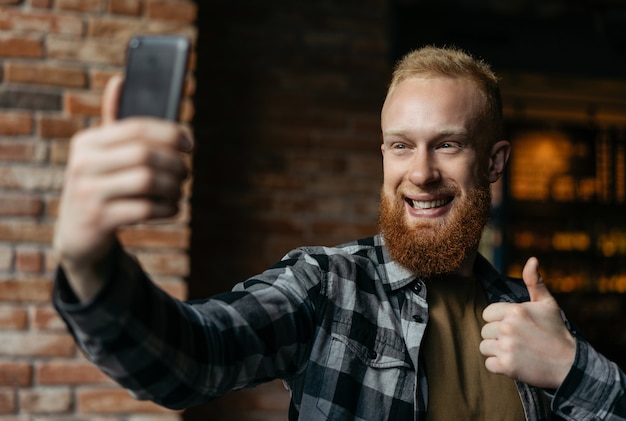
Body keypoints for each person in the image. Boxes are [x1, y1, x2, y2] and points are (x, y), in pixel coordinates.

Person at [52, 46, 626, 420]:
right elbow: (192, 356)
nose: (420, 171)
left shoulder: (532, 316)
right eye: (401, 145)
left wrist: (572, 369)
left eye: (447, 144)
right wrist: (88, 261)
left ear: (495, 162)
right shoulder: (326, 285)